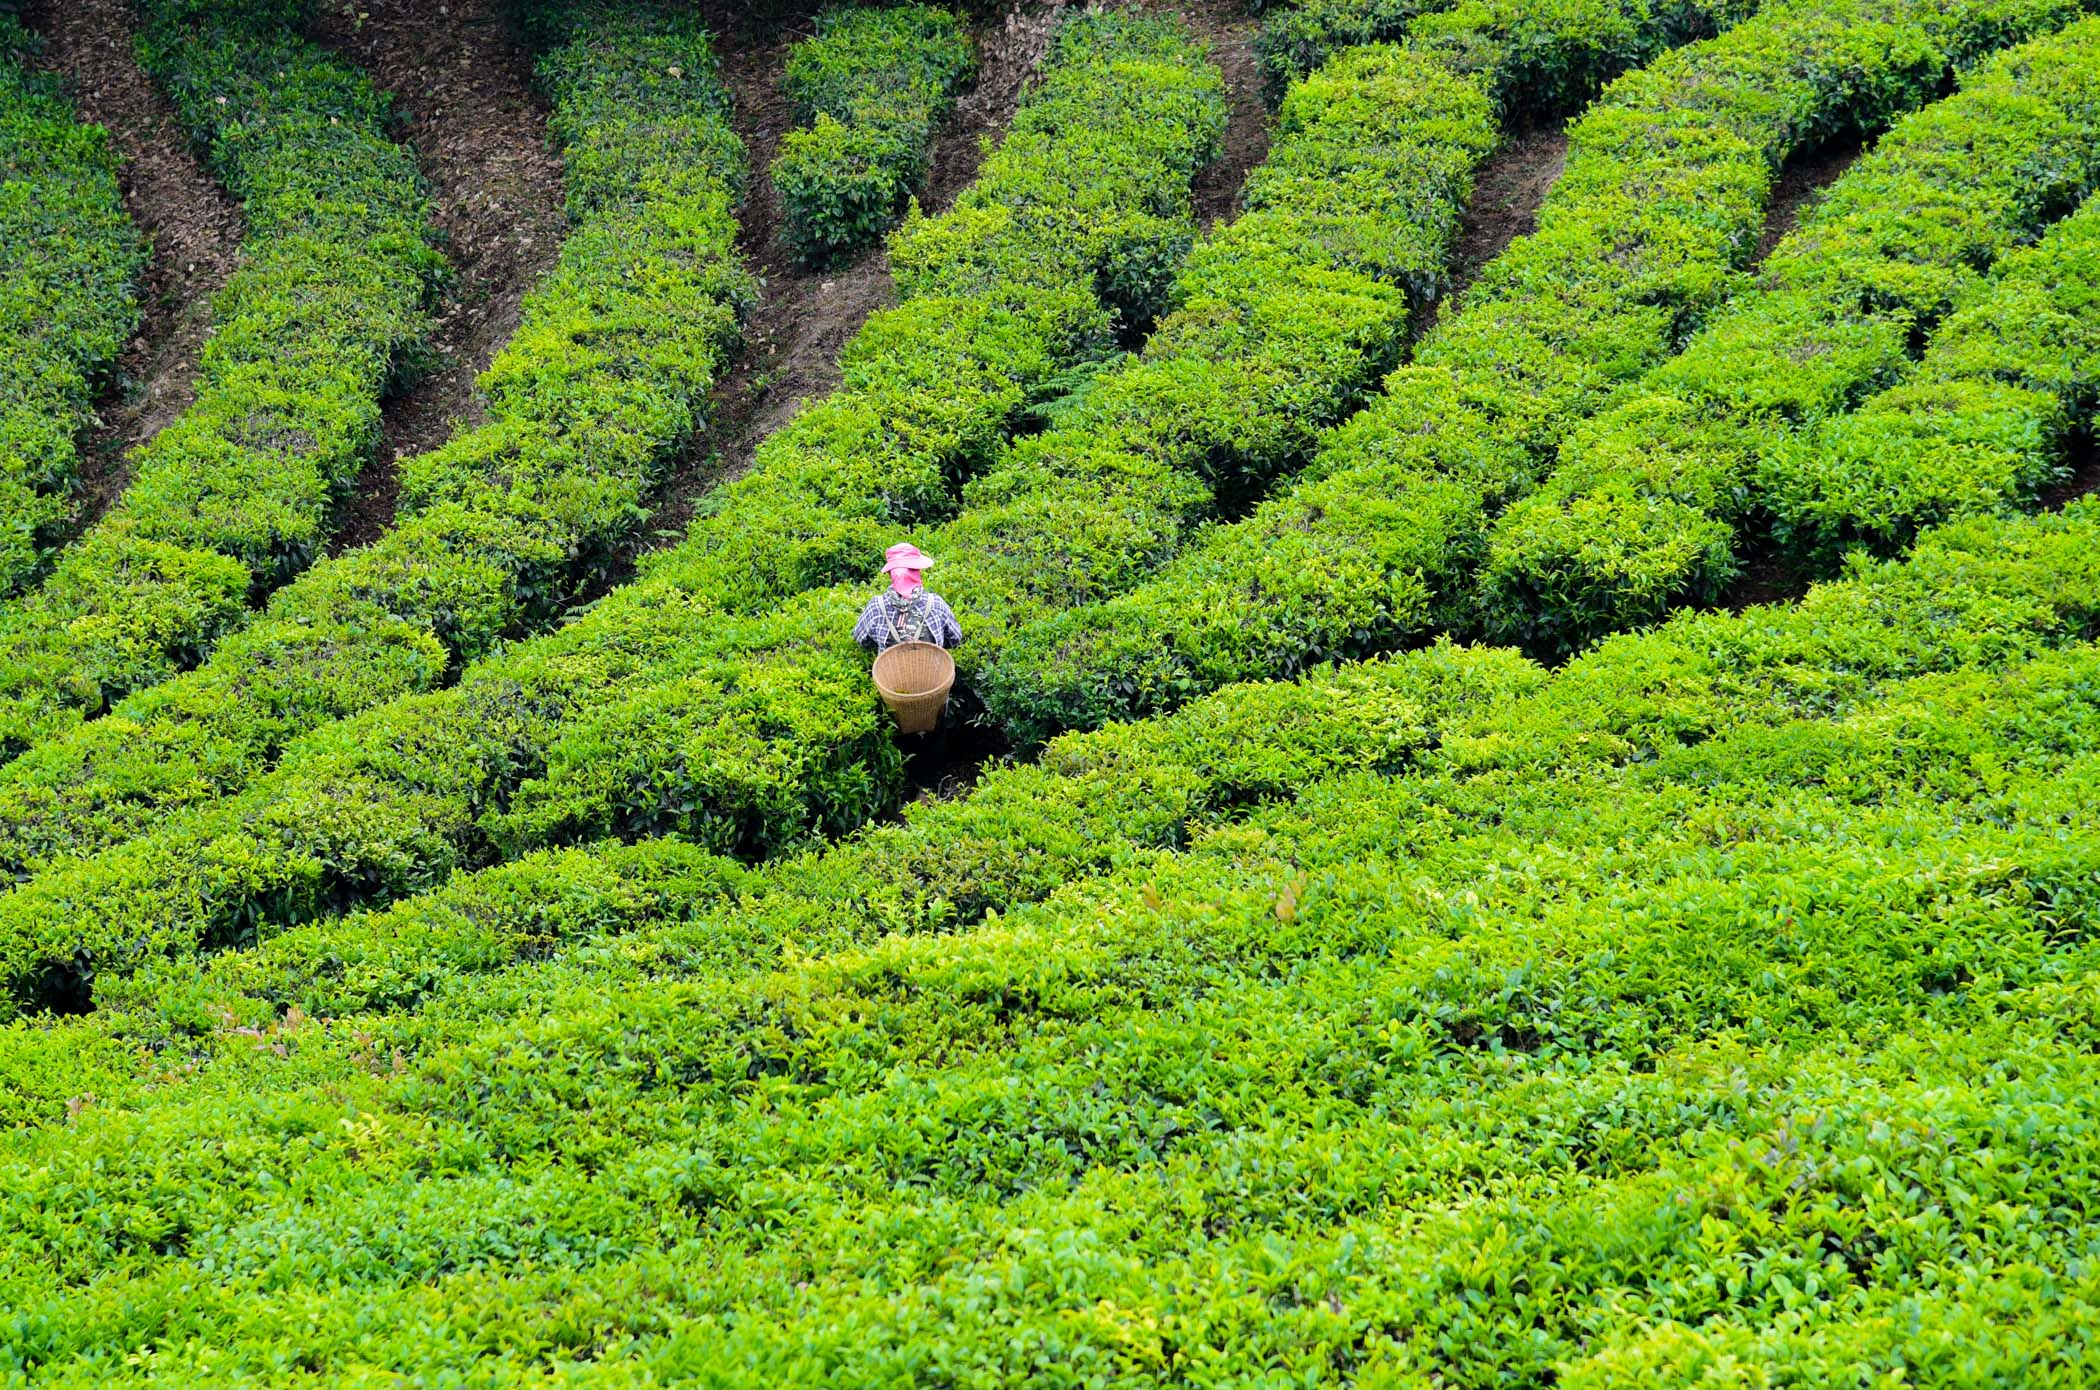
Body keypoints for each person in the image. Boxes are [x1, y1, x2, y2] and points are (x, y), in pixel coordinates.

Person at [854, 542, 963, 653]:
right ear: (917, 572)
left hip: (889, 670)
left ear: (890, 574)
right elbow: (955, 638)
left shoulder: (876, 606)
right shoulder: (936, 604)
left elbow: (861, 639)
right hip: (933, 669)